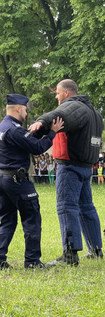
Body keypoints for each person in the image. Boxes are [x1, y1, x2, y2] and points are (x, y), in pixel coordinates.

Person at [29, 79, 104, 265]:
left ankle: (70, 254)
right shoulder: (95, 113)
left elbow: (61, 115)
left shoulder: (74, 106)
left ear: (67, 93)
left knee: (66, 206)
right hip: (86, 166)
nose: (56, 96)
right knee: (86, 208)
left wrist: (41, 122)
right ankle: (96, 249)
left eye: (58, 93)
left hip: (70, 165)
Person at [0, 94, 63, 270]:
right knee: (31, 218)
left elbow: (26, 139)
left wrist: (39, 130)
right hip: (17, 180)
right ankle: (32, 262)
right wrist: (53, 131)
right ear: (18, 108)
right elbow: (37, 147)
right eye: (25, 108)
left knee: (7, 220)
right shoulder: (14, 129)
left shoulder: (2, 127)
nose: (26, 111)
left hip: (1, 178)